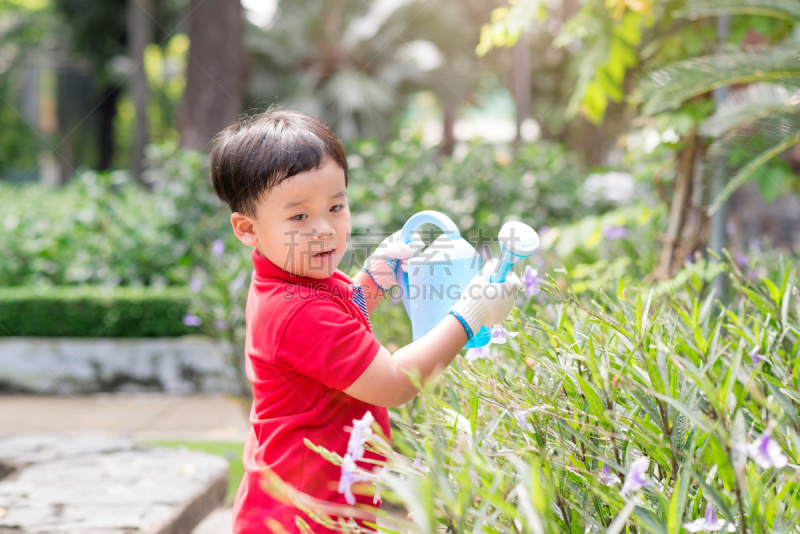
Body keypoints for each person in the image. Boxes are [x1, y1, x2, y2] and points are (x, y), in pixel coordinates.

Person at [210, 109, 522, 533]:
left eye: (336, 206)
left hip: (308, 505)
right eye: (299, 216)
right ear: (248, 228)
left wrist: (373, 279)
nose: (325, 229)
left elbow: (340, 325)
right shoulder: (296, 308)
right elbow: (393, 382)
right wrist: (470, 315)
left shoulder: (295, 277)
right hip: (301, 519)